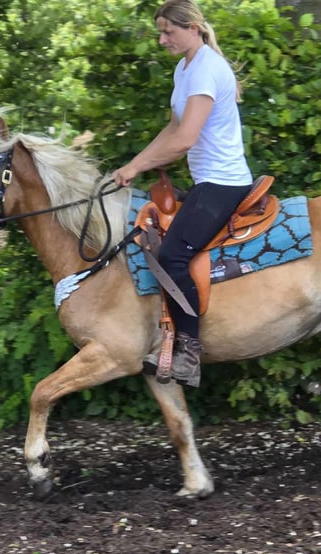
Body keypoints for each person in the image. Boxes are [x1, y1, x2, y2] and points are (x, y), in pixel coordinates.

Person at [112, 0, 253, 388]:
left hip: (223, 183)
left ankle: (189, 350)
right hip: (208, 181)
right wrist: (132, 165)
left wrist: (136, 167)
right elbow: (172, 129)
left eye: (168, 32)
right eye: (160, 32)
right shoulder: (186, 68)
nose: (162, 40)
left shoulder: (207, 68)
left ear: (191, 27)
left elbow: (185, 140)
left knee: (173, 255)